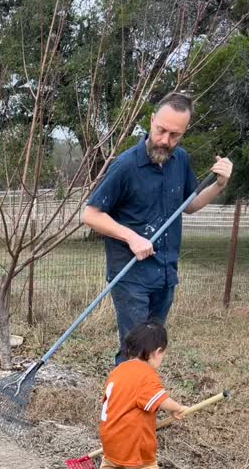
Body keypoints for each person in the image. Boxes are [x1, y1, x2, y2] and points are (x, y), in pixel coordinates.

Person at [81, 92, 233, 363]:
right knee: (135, 353)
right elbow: (91, 215)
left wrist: (219, 185)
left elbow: (190, 205)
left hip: (165, 274)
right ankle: (122, 404)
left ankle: (141, 402)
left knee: (152, 352)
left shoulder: (181, 160)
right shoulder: (126, 165)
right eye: (161, 130)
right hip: (131, 277)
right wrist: (131, 237)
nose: (165, 140)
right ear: (151, 121)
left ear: (184, 132)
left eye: (175, 135)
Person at [94, 321, 188, 469]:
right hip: (134, 437)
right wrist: (176, 408)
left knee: (111, 460)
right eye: (164, 354)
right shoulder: (145, 375)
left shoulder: (119, 370)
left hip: (110, 432)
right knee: (147, 467)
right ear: (158, 351)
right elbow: (160, 400)